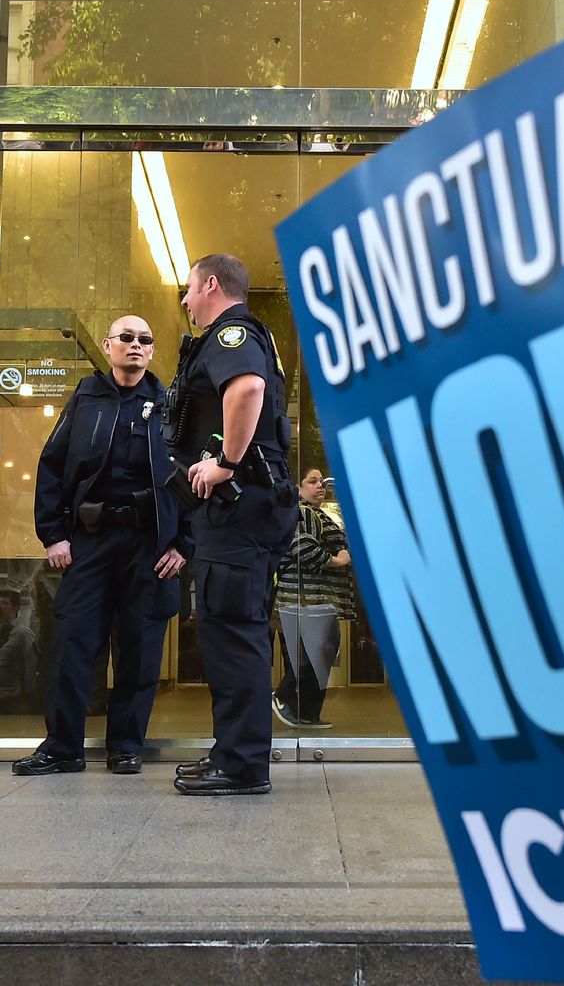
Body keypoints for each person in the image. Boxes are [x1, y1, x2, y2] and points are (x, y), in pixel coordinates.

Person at [13, 315, 189, 777]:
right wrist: (54, 534)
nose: (135, 345)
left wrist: (184, 543)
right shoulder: (85, 398)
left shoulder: (171, 405)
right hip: (90, 541)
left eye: (145, 340)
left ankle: (125, 747)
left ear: (151, 351)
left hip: (149, 545)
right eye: (126, 338)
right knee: (73, 645)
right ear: (109, 346)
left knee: (139, 650)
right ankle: (62, 748)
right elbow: (51, 466)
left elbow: (193, 478)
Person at [167, 254, 296, 796]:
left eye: (190, 290)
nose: (185, 302)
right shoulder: (244, 337)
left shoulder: (232, 335)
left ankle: (242, 765)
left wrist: (226, 463)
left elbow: (246, 390)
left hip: (240, 511)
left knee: (236, 636)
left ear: (212, 285)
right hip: (241, 514)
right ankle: (231, 751)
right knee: (224, 634)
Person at [273, 467, 350, 729]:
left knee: (319, 654)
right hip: (303, 597)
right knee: (311, 654)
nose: (320, 486)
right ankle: (286, 698)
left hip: (316, 597)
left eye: (321, 482)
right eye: (312, 481)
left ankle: (306, 713)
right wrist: (336, 561)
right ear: (298, 489)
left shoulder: (319, 514)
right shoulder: (300, 512)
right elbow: (299, 546)